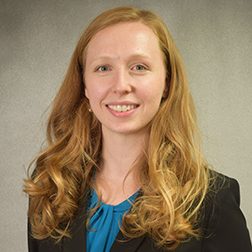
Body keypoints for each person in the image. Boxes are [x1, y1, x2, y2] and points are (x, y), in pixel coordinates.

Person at [23, 6, 252, 252]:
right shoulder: (50, 183)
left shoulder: (211, 202)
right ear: (85, 86)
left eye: (139, 67)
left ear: (167, 83)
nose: (121, 85)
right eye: (103, 68)